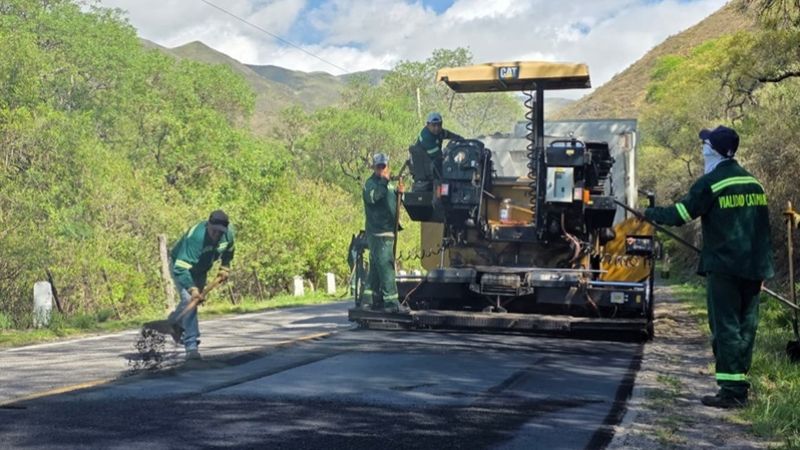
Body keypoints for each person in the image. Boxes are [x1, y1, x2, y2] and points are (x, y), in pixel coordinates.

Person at [644, 125, 774, 408]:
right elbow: (764, 230)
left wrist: (650, 214)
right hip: (755, 268)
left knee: (726, 325)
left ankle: (731, 392)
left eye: (704, 145)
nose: (702, 150)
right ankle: (738, 385)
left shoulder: (712, 182)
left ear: (713, 150)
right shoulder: (755, 184)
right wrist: (763, 270)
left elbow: (680, 214)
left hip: (725, 268)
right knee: (746, 326)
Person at [167, 210, 235, 360]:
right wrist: (192, 289)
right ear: (208, 225)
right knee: (191, 300)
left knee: (190, 303)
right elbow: (180, 267)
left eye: (220, 232)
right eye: (214, 231)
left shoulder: (228, 235)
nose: (216, 235)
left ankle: (173, 321)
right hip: (182, 268)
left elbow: (229, 251)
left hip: (202, 270)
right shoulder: (196, 238)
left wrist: (225, 267)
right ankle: (191, 347)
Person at [361, 153, 408, 313]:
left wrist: (399, 194)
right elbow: (374, 198)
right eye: (378, 166)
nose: (382, 169)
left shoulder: (387, 185)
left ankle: (367, 301)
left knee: (375, 267)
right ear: (374, 167)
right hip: (378, 233)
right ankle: (391, 304)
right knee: (387, 266)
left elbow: (392, 203)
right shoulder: (371, 184)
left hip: (388, 231)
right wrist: (384, 182)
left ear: (388, 166)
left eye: (384, 166)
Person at [415, 112, 464, 176]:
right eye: (434, 125)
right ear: (428, 125)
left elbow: (449, 135)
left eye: (439, 125)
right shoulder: (426, 136)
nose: (437, 128)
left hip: (432, 162)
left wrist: (461, 139)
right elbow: (438, 156)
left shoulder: (439, 132)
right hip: (424, 164)